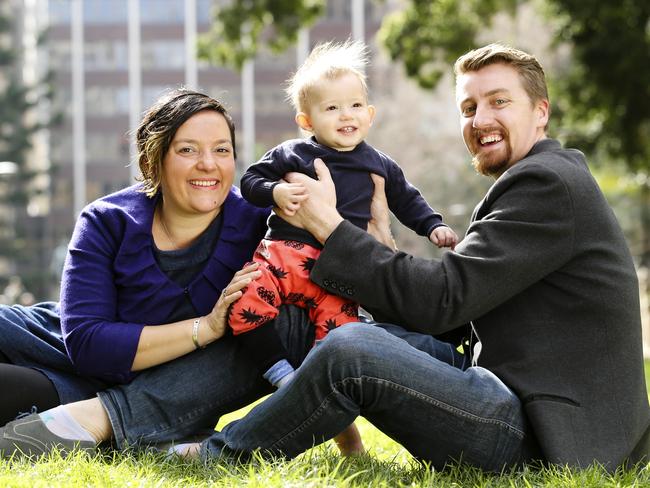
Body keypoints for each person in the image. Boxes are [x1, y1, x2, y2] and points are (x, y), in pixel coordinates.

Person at [187, 43, 648, 470]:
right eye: (468, 108)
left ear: (541, 111)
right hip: (512, 391)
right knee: (335, 327)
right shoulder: (542, 178)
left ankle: (218, 452)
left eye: (499, 101)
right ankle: (145, 418)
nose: (480, 119)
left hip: (545, 432)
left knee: (352, 347)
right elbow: (451, 316)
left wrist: (326, 224)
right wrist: (383, 248)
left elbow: (442, 299)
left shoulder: (547, 184)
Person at [0, 88, 315, 456]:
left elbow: (318, 305)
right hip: (53, 344)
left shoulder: (261, 227)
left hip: (122, 390)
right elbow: (86, 342)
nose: (208, 164)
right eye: (187, 150)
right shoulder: (107, 220)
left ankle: (110, 426)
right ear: (154, 161)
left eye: (221, 150)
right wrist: (206, 328)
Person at [231, 39, 458, 393]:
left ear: (370, 114)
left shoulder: (379, 164)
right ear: (307, 121)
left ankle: (317, 382)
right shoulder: (292, 153)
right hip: (283, 254)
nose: (346, 115)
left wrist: (433, 225)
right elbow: (249, 181)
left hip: (337, 267)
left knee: (343, 332)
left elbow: (407, 199)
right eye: (332, 108)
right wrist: (274, 192)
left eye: (354, 105)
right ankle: (277, 371)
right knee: (247, 302)